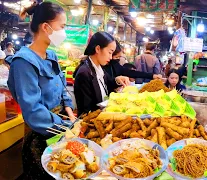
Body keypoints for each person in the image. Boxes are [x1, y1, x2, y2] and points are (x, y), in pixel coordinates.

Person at [7, 2, 75, 179]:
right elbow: (33, 110)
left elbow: (61, 86)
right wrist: (68, 126)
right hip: (40, 133)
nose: (64, 32)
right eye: (62, 27)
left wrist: (68, 109)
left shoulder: (51, 56)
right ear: (46, 27)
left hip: (59, 126)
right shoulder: (23, 62)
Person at [74, 32, 130, 116]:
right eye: (110, 52)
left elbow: (108, 82)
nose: (111, 57)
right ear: (98, 49)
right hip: (92, 122)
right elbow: (86, 111)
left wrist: (117, 80)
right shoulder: (84, 74)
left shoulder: (99, 68)